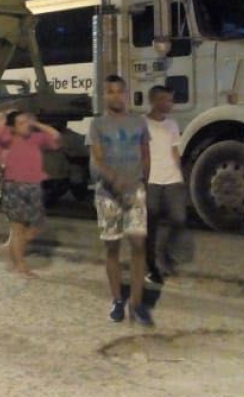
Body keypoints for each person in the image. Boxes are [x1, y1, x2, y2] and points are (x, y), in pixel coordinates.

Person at [88, 75, 153, 326]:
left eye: (119, 91)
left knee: (138, 243)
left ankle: (136, 303)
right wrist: (113, 179)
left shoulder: (139, 122)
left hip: (134, 191)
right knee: (112, 248)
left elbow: (146, 154)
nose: (116, 96)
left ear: (126, 94)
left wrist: (142, 181)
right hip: (108, 194)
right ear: (104, 96)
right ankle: (117, 300)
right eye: (110, 91)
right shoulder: (98, 125)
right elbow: (97, 158)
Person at [0, 109, 61, 278]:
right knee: (18, 228)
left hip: (34, 187)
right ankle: (20, 266)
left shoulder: (36, 138)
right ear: (13, 128)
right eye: (21, 123)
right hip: (14, 187)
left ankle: (12, 249)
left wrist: (36, 123)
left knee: (35, 227)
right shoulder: (6, 139)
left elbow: (56, 136)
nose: (26, 126)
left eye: (27, 122)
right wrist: (6, 114)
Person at [144, 85, 187, 285]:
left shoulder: (172, 124)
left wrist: (180, 173)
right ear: (154, 100)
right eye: (165, 99)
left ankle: (163, 252)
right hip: (152, 179)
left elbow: (174, 150)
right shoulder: (142, 124)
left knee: (178, 218)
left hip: (172, 178)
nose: (169, 104)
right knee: (151, 224)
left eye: (171, 100)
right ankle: (152, 265)